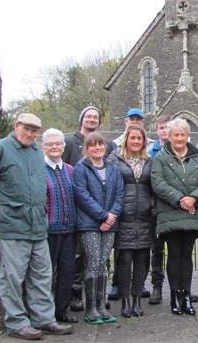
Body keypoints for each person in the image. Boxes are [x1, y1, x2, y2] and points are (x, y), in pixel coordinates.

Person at [0, 113, 73, 339]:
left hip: (38, 226)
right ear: (16, 126)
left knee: (42, 275)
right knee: (12, 277)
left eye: (34, 130)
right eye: (26, 128)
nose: (30, 133)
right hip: (12, 224)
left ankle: (44, 319)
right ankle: (17, 322)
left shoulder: (34, 152)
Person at [151, 118, 198, 316]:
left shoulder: (197, 156)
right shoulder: (161, 157)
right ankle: (175, 296)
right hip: (170, 212)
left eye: (182, 134)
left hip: (192, 213)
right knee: (174, 254)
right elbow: (158, 182)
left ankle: (186, 295)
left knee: (187, 255)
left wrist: (193, 198)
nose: (179, 138)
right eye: (176, 134)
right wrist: (180, 199)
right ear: (170, 136)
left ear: (187, 136)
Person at [62, 105, 114, 312]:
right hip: (79, 208)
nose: (92, 119)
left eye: (95, 117)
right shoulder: (69, 142)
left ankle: (99, 296)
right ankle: (76, 294)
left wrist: (110, 213)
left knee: (102, 258)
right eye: (88, 116)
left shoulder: (107, 144)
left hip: (104, 211)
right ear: (81, 119)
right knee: (78, 254)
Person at [73, 132, 123, 324]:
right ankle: (91, 308)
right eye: (93, 145)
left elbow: (119, 194)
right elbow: (82, 196)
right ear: (87, 148)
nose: (97, 148)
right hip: (89, 224)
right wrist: (103, 216)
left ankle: (101, 305)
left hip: (110, 224)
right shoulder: (81, 168)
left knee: (103, 264)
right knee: (93, 263)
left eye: (100, 144)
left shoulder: (113, 168)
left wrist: (112, 216)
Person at [109, 125, 155, 318]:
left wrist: (151, 206)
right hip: (124, 217)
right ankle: (125, 300)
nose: (136, 141)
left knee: (143, 261)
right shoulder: (114, 160)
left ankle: (137, 299)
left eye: (139, 138)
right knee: (124, 260)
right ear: (126, 139)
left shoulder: (150, 161)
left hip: (145, 218)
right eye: (133, 138)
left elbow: (155, 187)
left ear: (144, 141)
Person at [42, 129, 78, 324]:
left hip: (69, 230)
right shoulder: (39, 169)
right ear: (43, 147)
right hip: (48, 231)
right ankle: (44, 313)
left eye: (58, 144)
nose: (55, 147)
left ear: (63, 147)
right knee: (47, 274)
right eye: (50, 144)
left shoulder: (70, 170)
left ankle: (61, 310)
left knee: (67, 271)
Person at [147, 115, 172, 305]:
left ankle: (177, 288)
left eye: (167, 128)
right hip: (155, 209)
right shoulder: (150, 152)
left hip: (173, 209)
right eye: (162, 127)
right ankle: (157, 287)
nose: (164, 131)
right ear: (157, 130)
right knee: (157, 251)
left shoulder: (178, 151)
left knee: (176, 251)